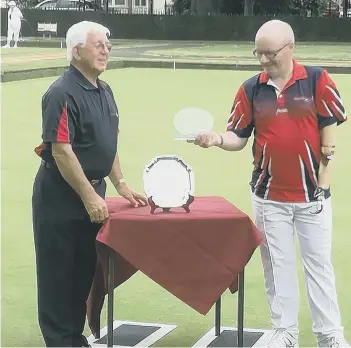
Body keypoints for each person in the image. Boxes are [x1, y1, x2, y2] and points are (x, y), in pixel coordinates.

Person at [193, 20, 348, 348]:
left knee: (318, 266)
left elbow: (330, 126)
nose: (263, 60)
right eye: (258, 53)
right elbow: (238, 135)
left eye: (270, 53)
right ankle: (285, 332)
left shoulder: (317, 80)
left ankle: (330, 335)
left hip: (311, 196)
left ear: (290, 48)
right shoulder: (251, 88)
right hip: (268, 196)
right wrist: (217, 138)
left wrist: (323, 181)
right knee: (277, 266)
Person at [32, 21, 148, 347]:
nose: (106, 49)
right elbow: (61, 150)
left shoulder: (104, 90)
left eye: (108, 44)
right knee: (59, 275)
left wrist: (121, 184)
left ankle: (74, 338)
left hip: (93, 194)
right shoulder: (60, 93)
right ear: (76, 50)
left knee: (83, 271)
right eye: (98, 44)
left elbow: (107, 143)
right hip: (61, 197)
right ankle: (60, 340)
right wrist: (88, 194)